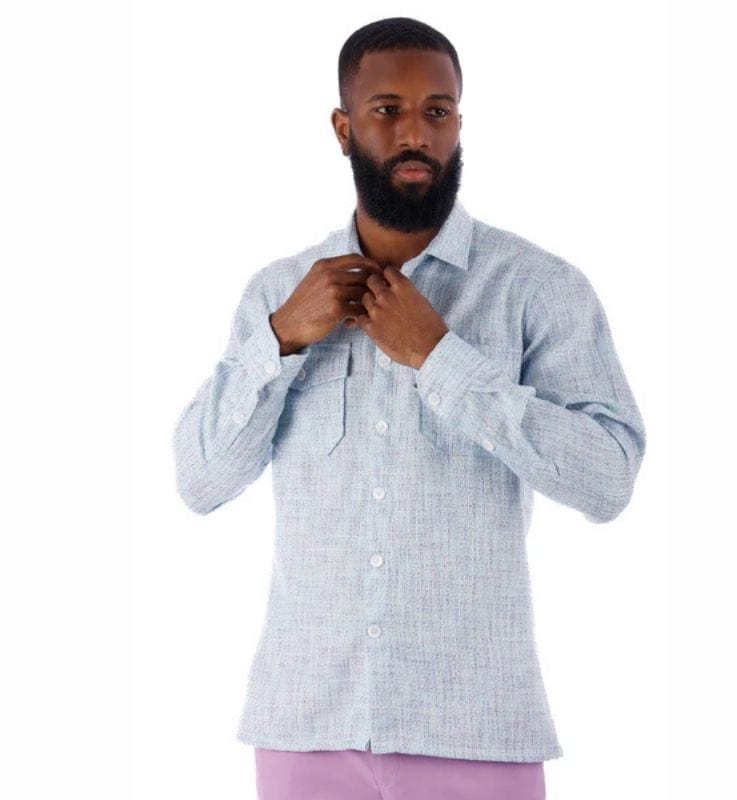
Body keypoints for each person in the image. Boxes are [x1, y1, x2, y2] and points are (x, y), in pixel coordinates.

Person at [172, 16, 647, 800]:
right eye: (387, 110)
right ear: (343, 127)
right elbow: (200, 480)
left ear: (460, 123)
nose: (415, 133)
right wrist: (281, 339)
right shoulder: (278, 294)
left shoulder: (537, 288)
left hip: (473, 729)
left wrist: (440, 357)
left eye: (437, 111)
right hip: (303, 728)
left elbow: (609, 479)